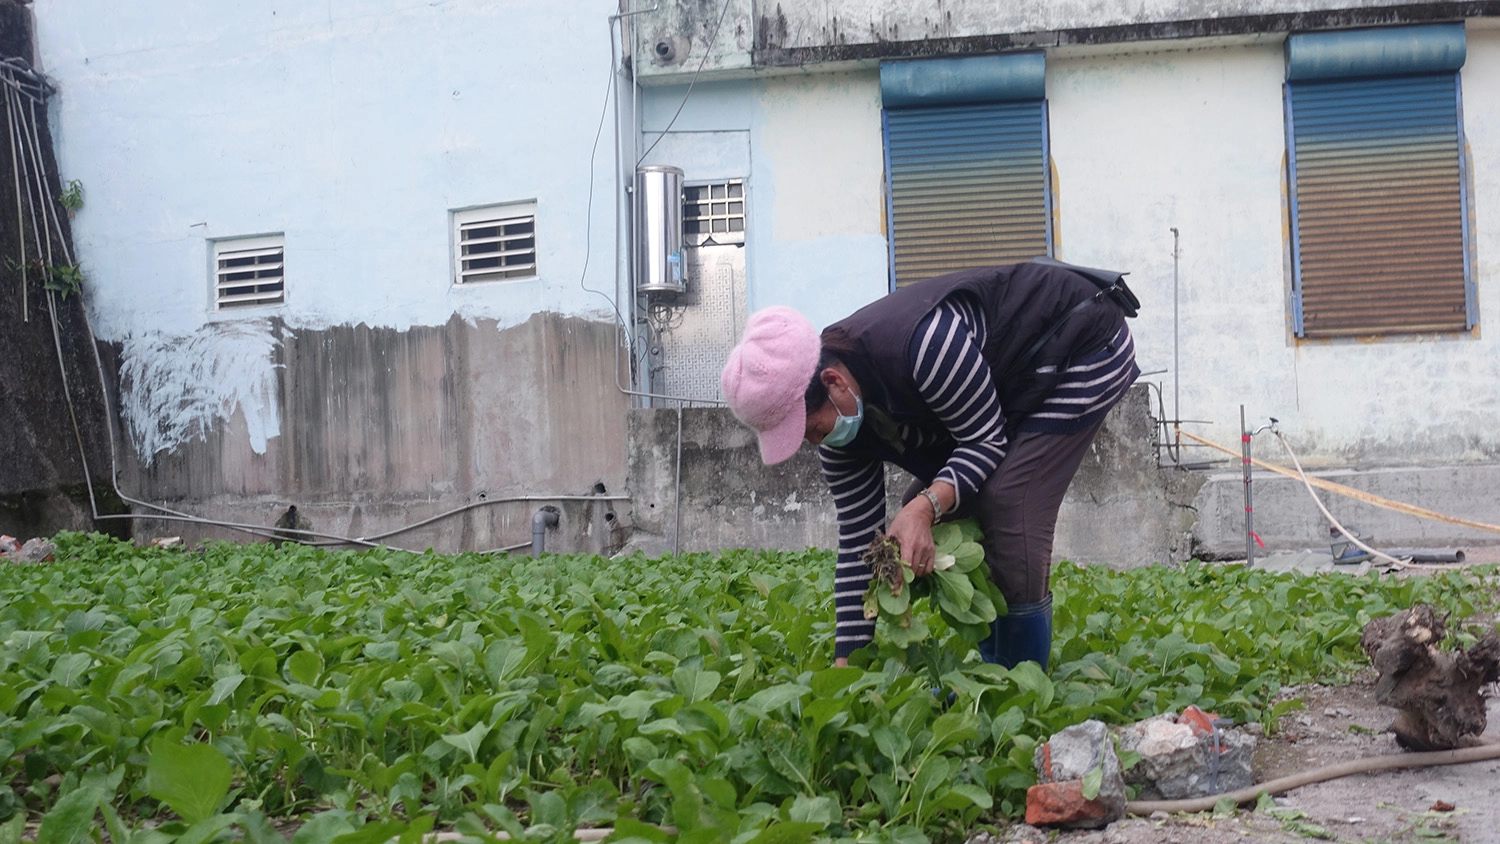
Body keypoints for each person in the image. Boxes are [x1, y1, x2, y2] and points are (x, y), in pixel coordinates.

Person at [720, 260, 1139, 669]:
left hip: (1080, 344)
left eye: (810, 427)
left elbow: (985, 439)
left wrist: (925, 507)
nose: (814, 442)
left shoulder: (925, 346)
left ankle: (1019, 688)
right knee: (921, 504)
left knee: (1009, 501)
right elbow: (859, 541)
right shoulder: (838, 434)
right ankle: (994, 669)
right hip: (1012, 384)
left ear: (833, 382)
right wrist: (846, 668)